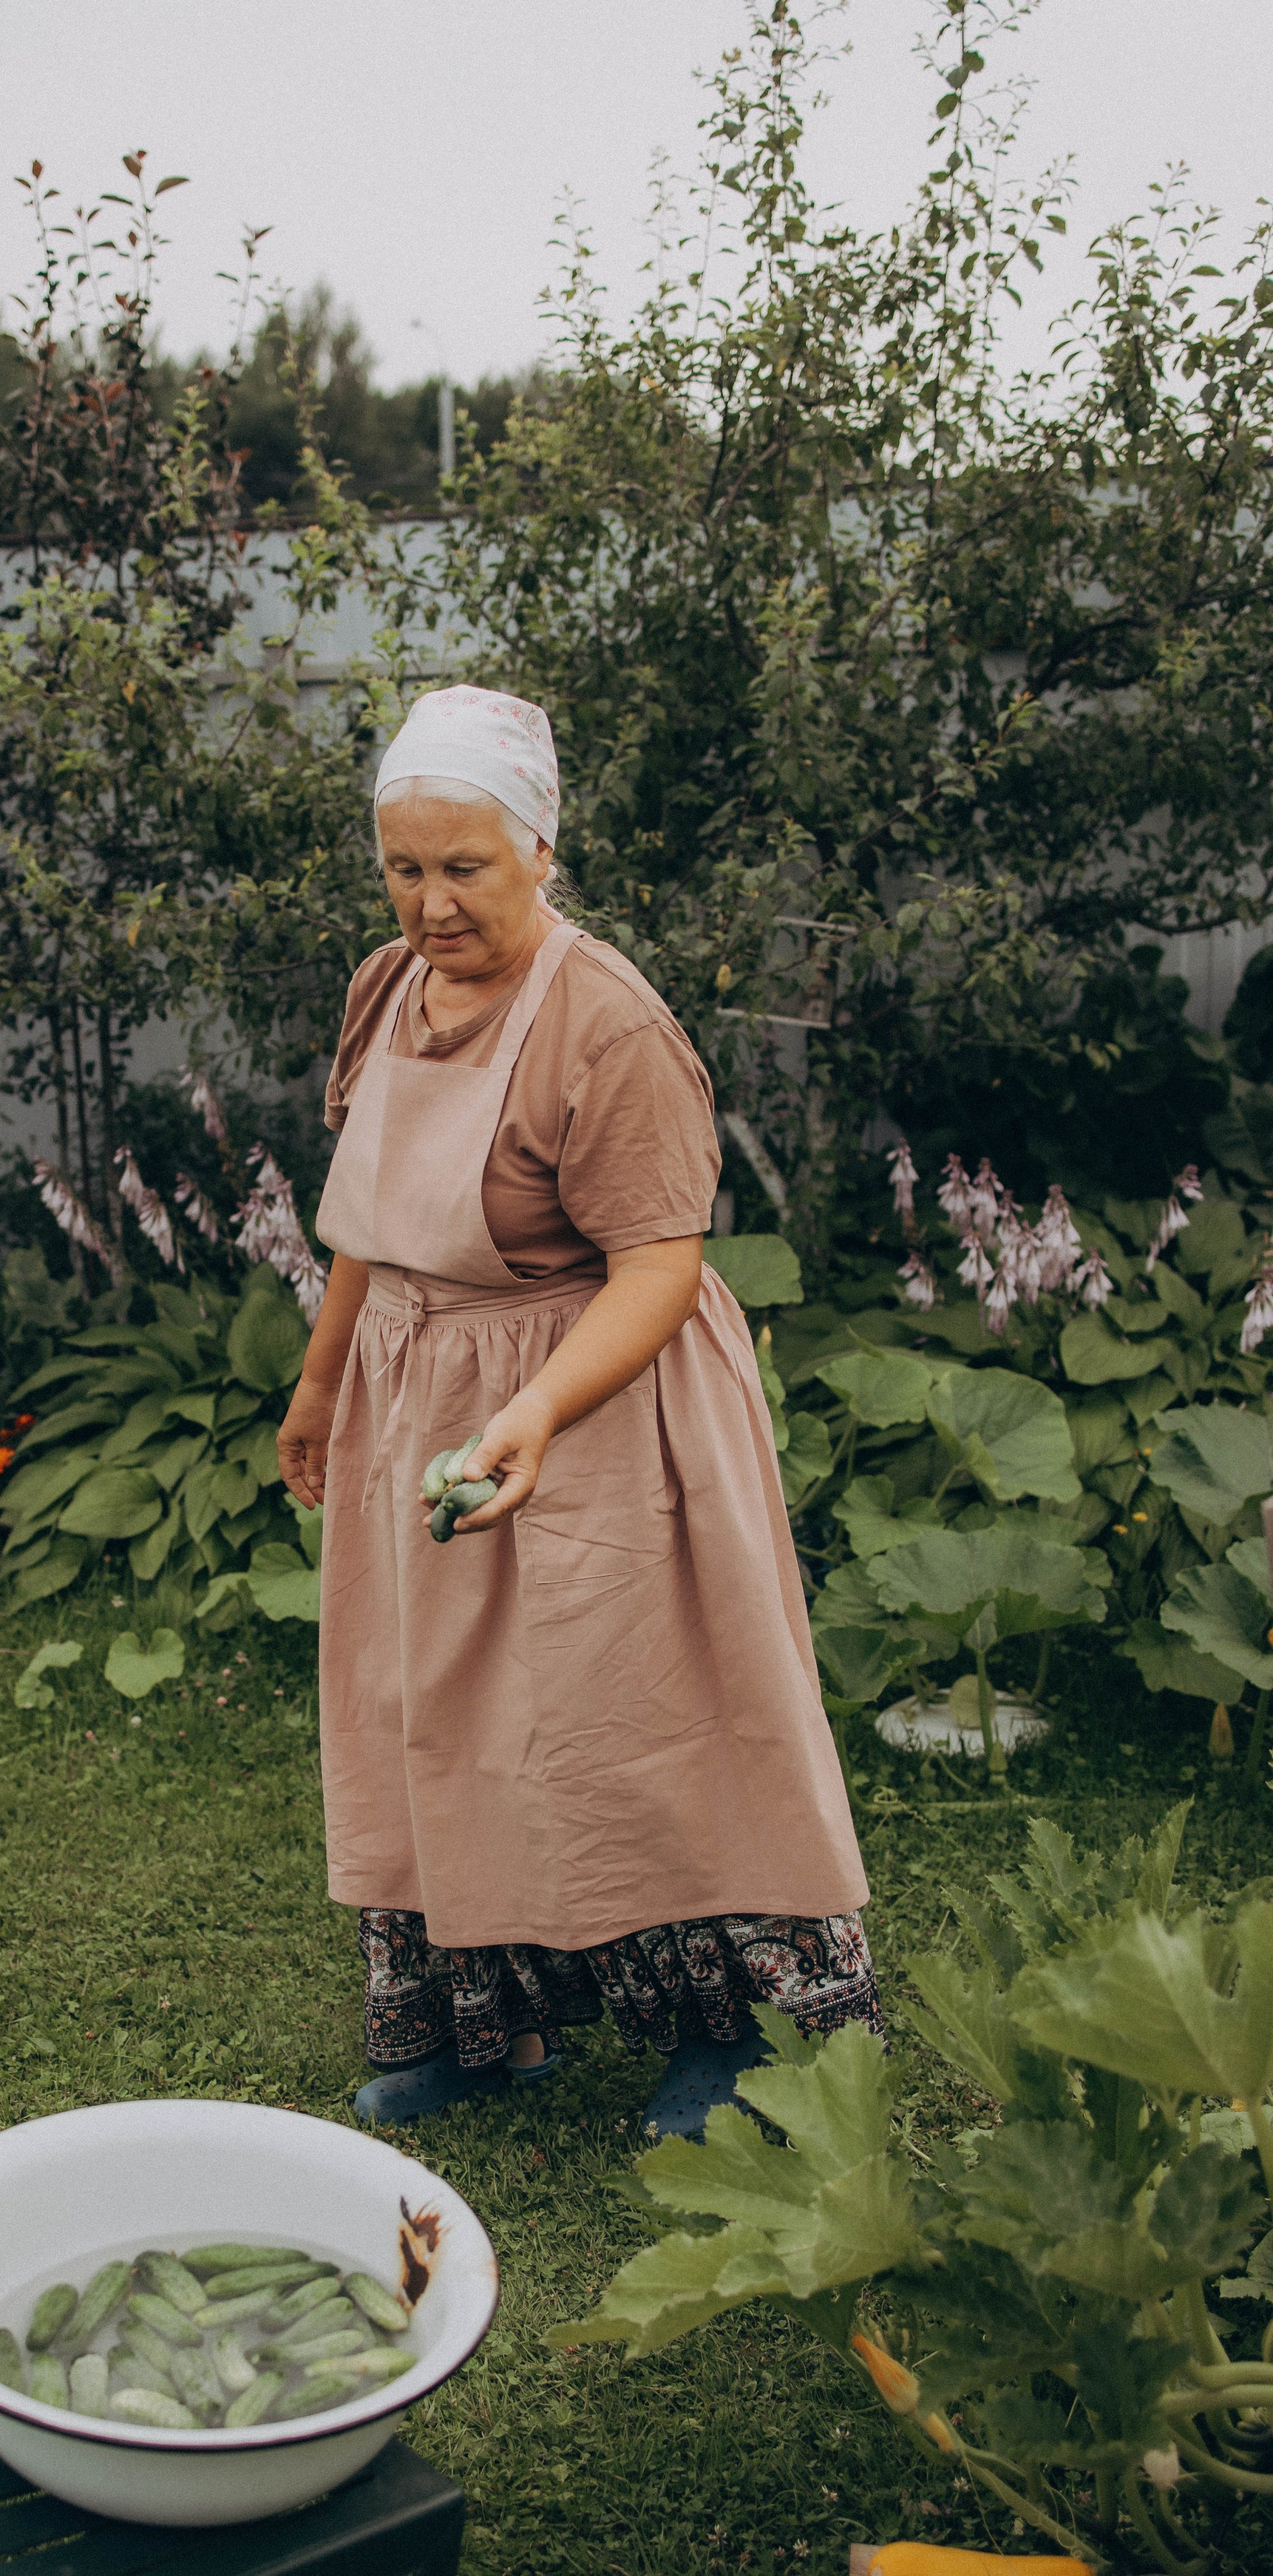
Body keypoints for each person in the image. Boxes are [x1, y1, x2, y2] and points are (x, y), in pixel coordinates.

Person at [276, 684, 880, 2135]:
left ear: (541, 849)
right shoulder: (385, 989)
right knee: (425, 1712)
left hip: (599, 1401)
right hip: (415, 1388)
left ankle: (729, 2036)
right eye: (402, 868)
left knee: (635, 1720)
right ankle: (481, 2025)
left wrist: (536, 1413)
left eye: (461, 867)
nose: (428, 903)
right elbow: (364, 1216)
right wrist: (317, 1383)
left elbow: (660, 1270)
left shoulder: (606, 1025)